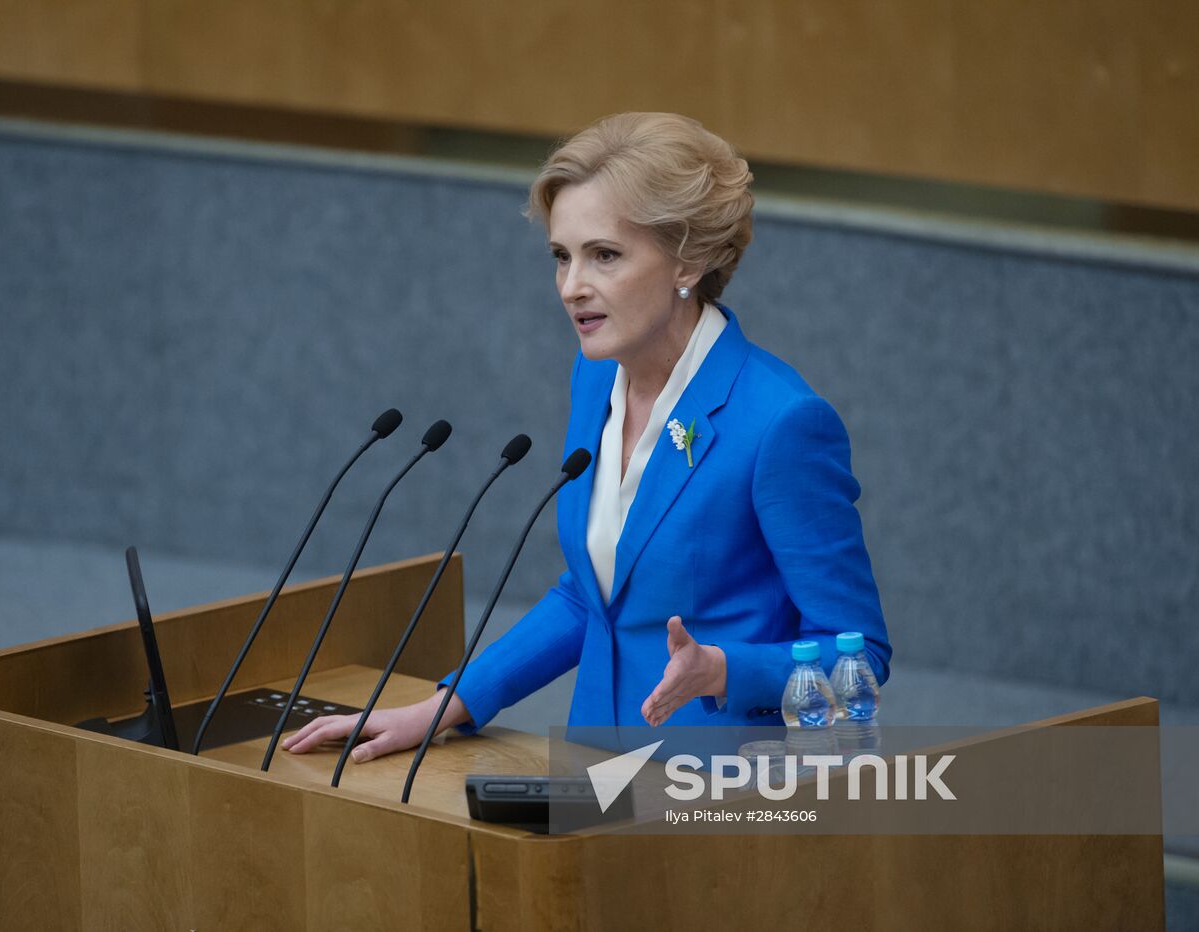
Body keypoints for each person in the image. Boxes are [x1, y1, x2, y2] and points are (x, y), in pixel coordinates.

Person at [284, 111, 890, 764]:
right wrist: (445, 706)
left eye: (604, 255)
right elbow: (592, 595)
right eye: (561, 256)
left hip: (722, 796)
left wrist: (721, 669)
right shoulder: (597, 379)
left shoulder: (781, 424)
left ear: (689, 256)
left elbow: (859, 652)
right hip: (594, 772)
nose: (572, 287)